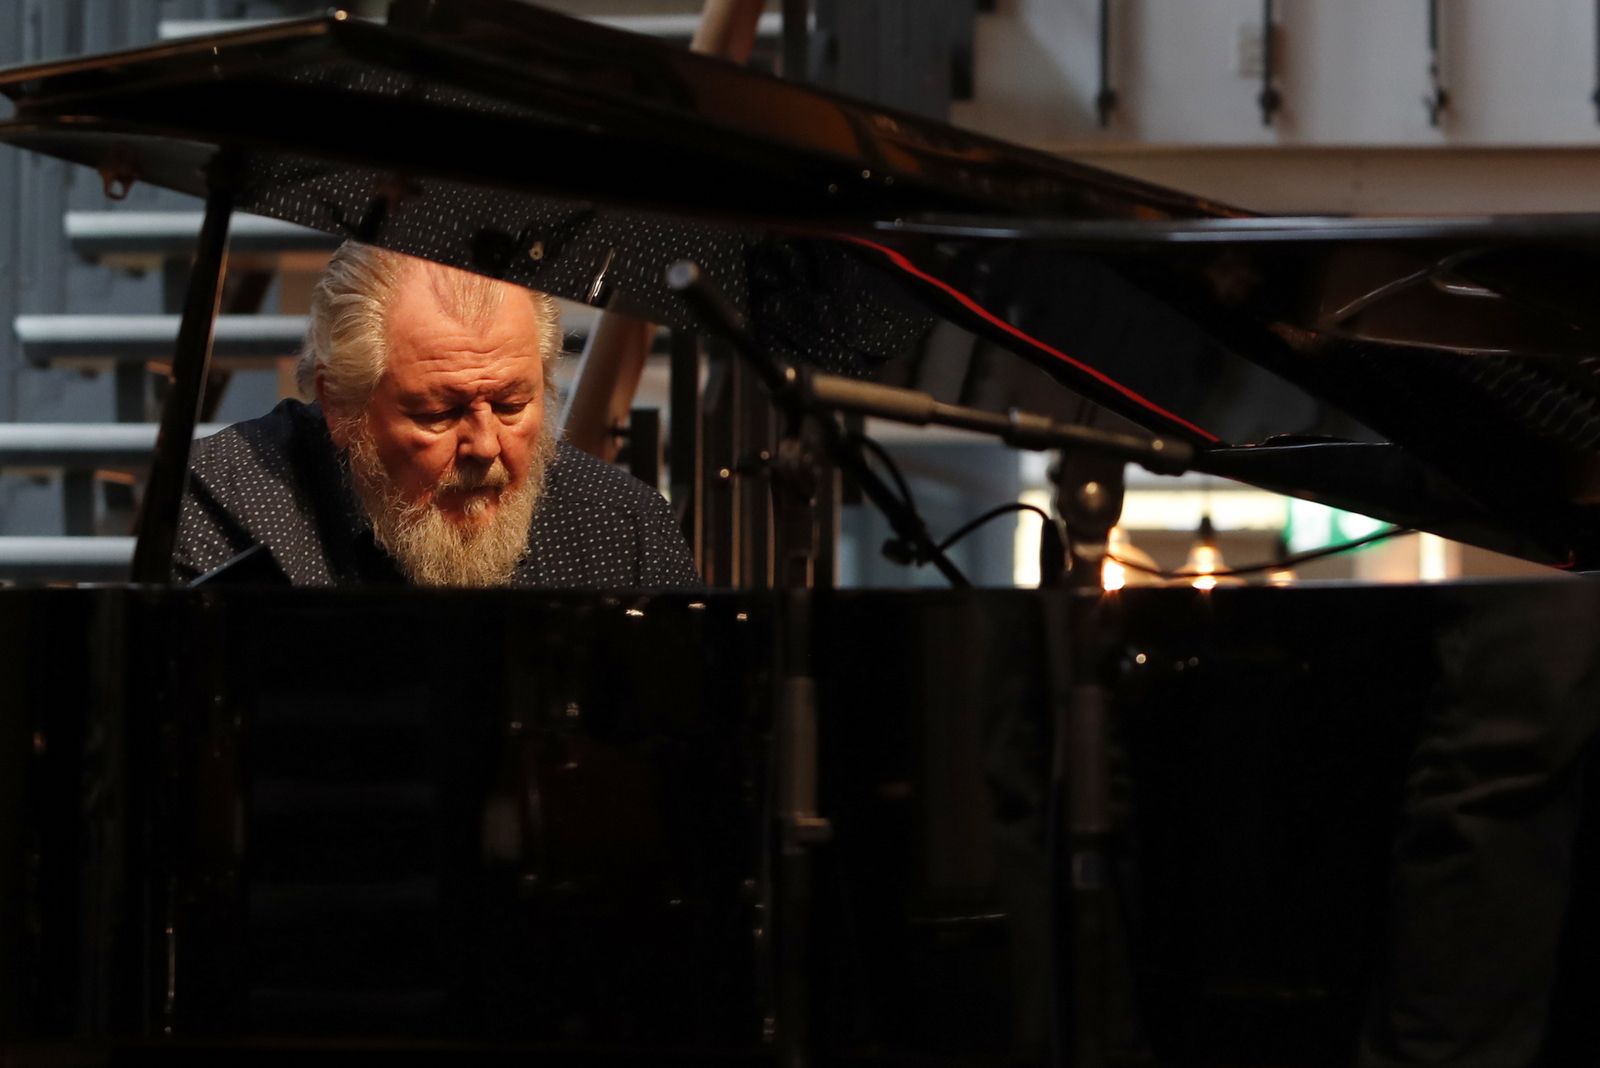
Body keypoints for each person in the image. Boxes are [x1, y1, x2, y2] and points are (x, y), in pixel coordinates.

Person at [173, 242, 700, 589]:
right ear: (338, 404)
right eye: (439, 413)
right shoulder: (231, 501)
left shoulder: (622, 532)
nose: (486, 445)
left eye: (512, 405)